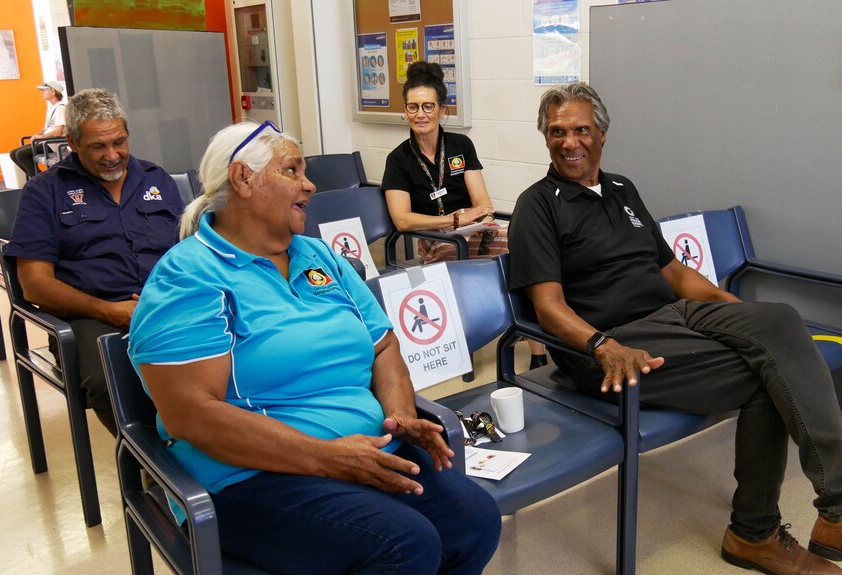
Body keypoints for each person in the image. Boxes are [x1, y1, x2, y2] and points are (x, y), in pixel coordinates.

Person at [127, 122, 501, 574]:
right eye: (293, 171)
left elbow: (383, 346)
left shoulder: (320, 257)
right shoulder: (189, 276)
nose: (310, 184)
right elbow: (191, 414)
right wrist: (332, 459)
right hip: (248, 476)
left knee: (475, 521)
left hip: (364, 449)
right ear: (244, 179)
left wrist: (400, 416)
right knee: (404, 545)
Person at [508, 82, 842, 575]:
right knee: (764, 378)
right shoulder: (537, 204)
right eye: (556, 132)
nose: (568, 141)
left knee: (780, 321)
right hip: (611, 343)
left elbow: (672, 273)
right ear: (545, 139)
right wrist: (603, 345)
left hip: (672, 315)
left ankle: (820, 512)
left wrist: (736, 313)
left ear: (602, 134)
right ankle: (760, 533)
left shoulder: (622, 188)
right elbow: (547, 306)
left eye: (580, 129)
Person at [5, 88, 184, 436]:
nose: (112, 155)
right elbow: (35, 283)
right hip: (92, 319)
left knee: (232, 350)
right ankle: (151, 465)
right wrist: (108, 310)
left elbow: (191, 252)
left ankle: (209, 451)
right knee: (110, 382)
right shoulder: (45, 192)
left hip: (165, 304)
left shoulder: (155, 179)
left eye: (119, 142)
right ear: (71, 143)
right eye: (98, 146)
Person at [382, 61, 548, 369]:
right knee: (485, 258)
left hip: (473, 232)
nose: (421, 114)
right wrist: (454, 221)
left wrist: (472, 219)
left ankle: (537, 352)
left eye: (428, 106)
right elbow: (403, 220)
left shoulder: (460, 145)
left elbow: (483, 203)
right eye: (413, 107)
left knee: (523, 250)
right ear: (405, 111)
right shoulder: (399, 160)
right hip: (434, 241)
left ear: (441, 110)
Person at [9, 80, 67, 178]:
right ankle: (38, 178)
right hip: (46, 142)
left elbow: (58, 131)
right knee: (13, 154)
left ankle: (40, 179)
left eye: (44, 90)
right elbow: (47, 128)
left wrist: (41, 137)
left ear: (53, 92)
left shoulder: (61, 108)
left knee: (21, 155)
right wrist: (37, 135)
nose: (42, 92)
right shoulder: (52, 108)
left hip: (53, 144)